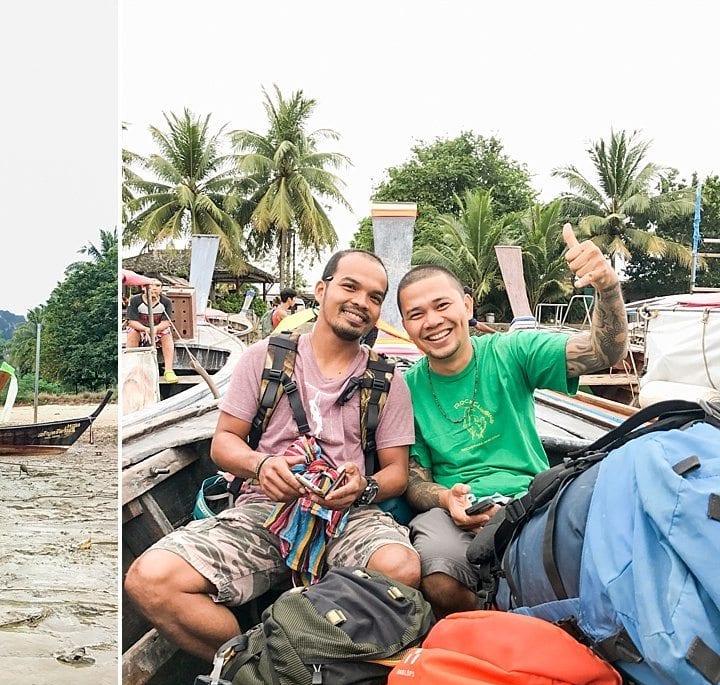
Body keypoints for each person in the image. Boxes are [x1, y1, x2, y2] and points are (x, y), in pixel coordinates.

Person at [125, 249, 420, 661]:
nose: (361, 302)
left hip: (346, 517)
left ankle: (304, 669)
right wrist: (260, 465)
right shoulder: (264, 358)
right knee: (150, 580)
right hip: (263, 512)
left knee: (401, 569)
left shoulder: (388, 381)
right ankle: (256, 672)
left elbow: (397, 474)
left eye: (374, 297)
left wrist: (363, 486)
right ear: (322, 290)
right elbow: (224, 443)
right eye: (349, 287)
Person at [399, 225, 628, 617]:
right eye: (416, 314)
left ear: (467, 307)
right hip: (459, 511)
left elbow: (602, 352)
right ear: (405, 326)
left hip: (533, 496)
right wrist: (447, 499)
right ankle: (498, 629)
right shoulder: (405, 390)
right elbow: (414, 479)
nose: (432, 321)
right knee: (437, 573)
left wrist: (607, 287)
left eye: (442, 305)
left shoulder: (512, 350)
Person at [125, 279, 177, 384]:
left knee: (167, 334)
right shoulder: (135, 300)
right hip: (141, 329)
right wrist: (145, 329)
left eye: (158, 285)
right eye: (151, 285)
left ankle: (168, 370)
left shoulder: (166, 302)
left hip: (158, 329)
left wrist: (155, 329)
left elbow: (166, 322)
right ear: (143, 287)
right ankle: (132, 367)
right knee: (132, 333)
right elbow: (131, 321)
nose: (154, 288)